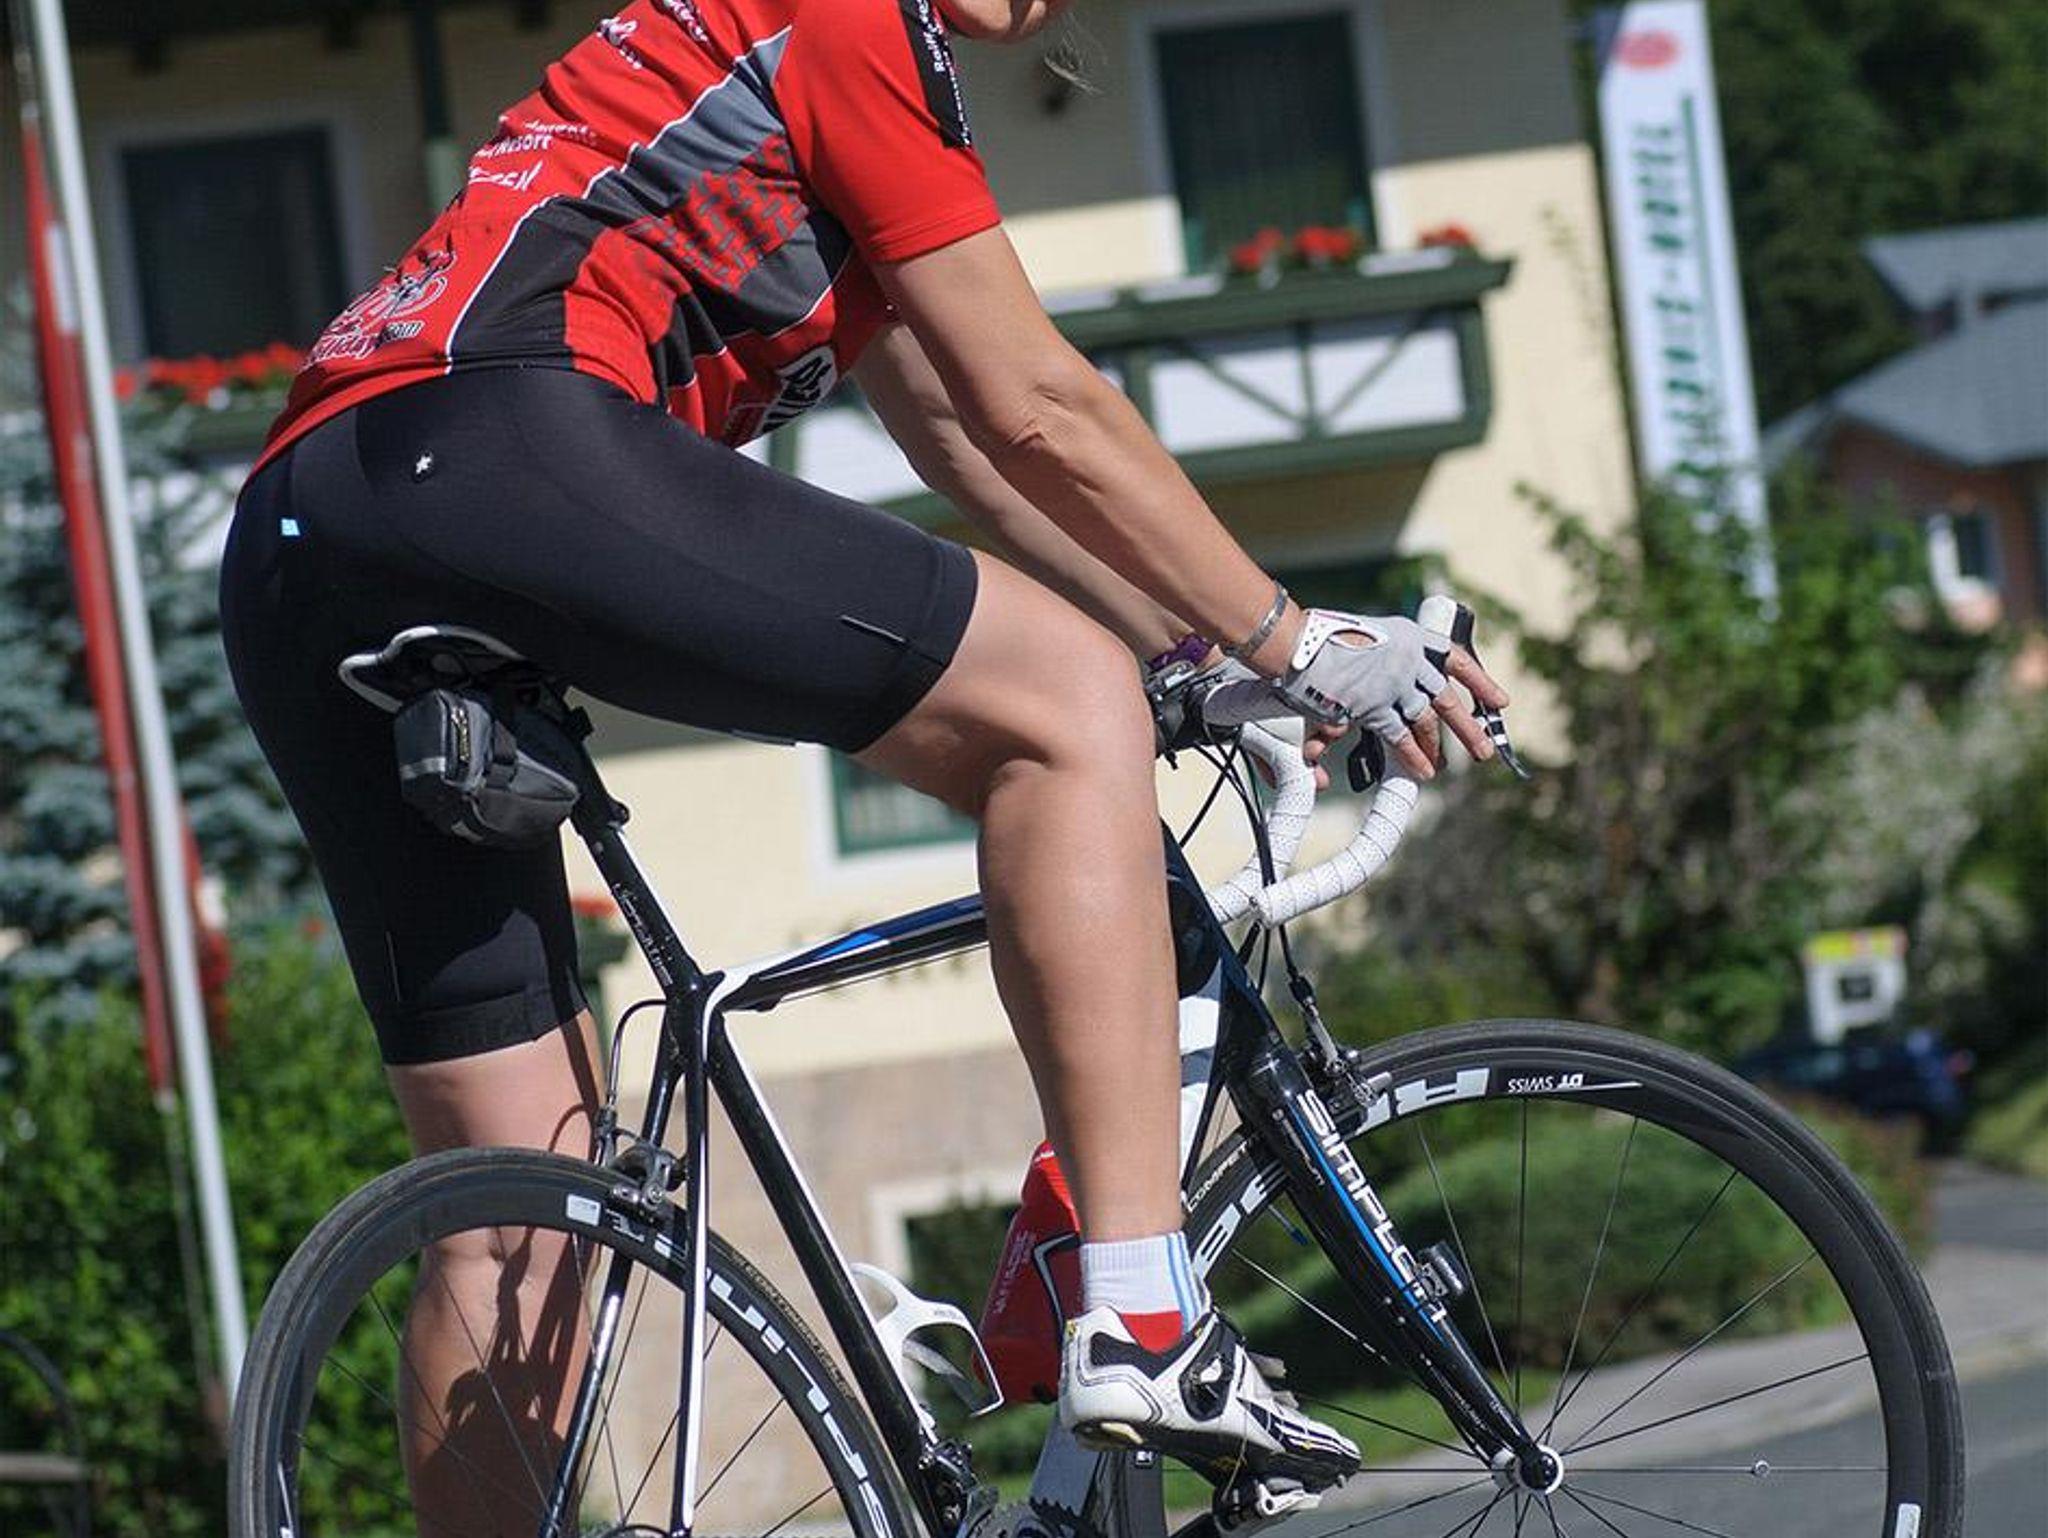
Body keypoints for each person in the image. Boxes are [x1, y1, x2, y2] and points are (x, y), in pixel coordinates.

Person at [219, 0, 1508, 1524]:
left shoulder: (786, 65)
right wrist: (1294, 637)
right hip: (499, 439)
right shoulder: (854, 21)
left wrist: (1195, 650)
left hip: (305, 535)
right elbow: (1041, 402)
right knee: (1062, 704)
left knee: (516, 1229)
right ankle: (1148, 1311)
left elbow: (967, 443)